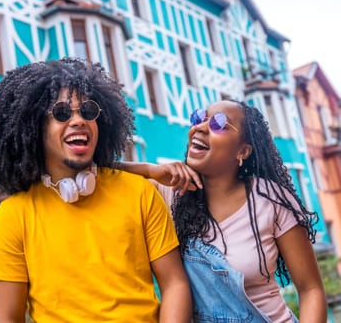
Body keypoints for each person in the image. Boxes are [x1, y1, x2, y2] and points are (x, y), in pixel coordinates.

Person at [0, 58, 192, 322]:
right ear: (34, 127)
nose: (78, 120)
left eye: (88, 111)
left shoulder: (139, 192)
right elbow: (6, 318)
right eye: (62, 113)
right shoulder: (11, 218)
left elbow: (174, 284)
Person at [120, 99, 327, 323]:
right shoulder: (170, 194)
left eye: (219, 124)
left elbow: (311, 290)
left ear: (243, 151)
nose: (200, 127)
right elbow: (99, 171)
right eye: (199, 118)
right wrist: (152, 170)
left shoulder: (271, 200)